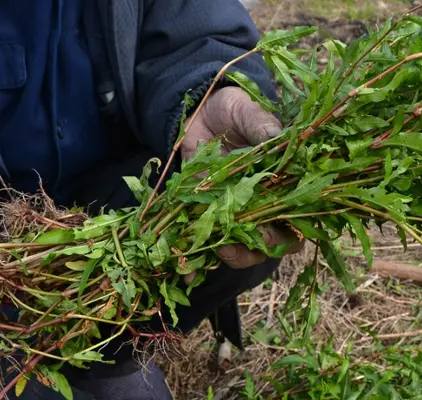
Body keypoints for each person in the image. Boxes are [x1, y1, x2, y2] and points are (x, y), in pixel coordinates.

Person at [0, 1, 303, 399]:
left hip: (101, 198)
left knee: (242, 213)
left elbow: (198, 30)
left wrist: (207, 92)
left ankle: (97, 346)